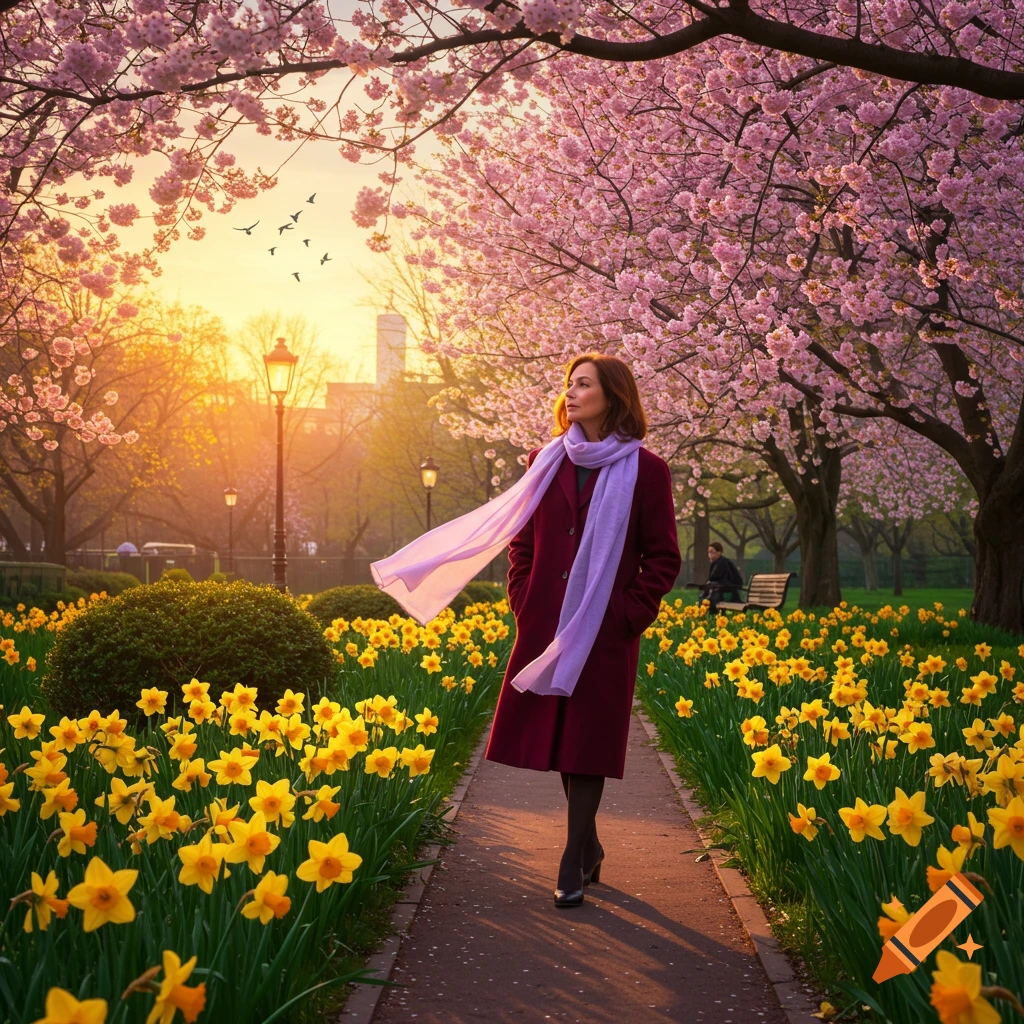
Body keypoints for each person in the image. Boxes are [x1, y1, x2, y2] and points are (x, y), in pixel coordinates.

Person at [370, 351, 681, 910]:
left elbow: (662, 558)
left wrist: (625, 615)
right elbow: (522, 541)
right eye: (570, 383)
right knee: (561, 735)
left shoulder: (646, 470)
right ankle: (588, 845)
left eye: (584, 383)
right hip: (544, 619)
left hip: (604, 627)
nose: (572, 391)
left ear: (612, 395)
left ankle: (570, 856)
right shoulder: (546, 459)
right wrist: (523, 600)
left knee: (587, 737)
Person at [700, 542, 743, 612]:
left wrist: (709, 582)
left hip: (733, 585)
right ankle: (705, 606)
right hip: (723, 584)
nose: (710, 554)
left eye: (712, 552)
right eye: (708, 552)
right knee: (711, 588)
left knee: (713, 588)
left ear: (719, 552)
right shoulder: (716, 562)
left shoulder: (722, 562)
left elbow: (718, 576)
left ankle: (710, 608)